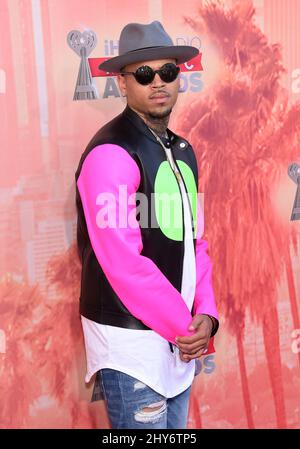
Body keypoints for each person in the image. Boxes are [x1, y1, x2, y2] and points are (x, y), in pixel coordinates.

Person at [75, 20, 219, 429]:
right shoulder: (110, 153)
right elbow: (123, 263)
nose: (158, 82)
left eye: (168, 72)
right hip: (133, 347)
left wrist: (206, 316)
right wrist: (186, 327)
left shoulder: (183, 152)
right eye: (143, 74)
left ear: (179, 78)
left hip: (180, 343)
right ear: (122, 83)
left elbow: (196, 243)